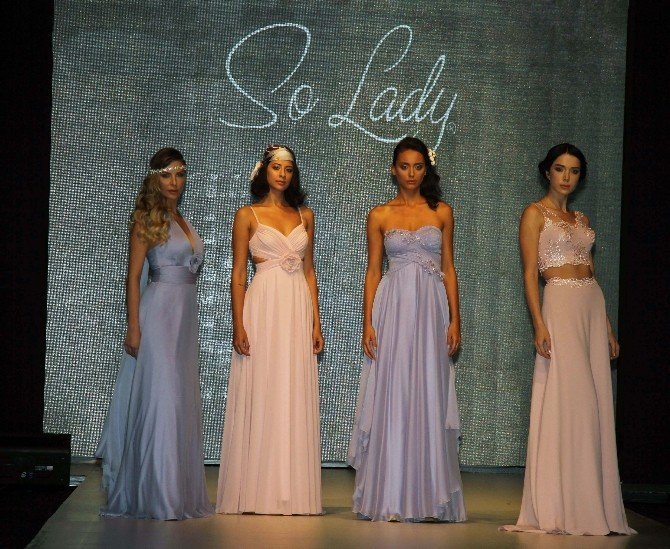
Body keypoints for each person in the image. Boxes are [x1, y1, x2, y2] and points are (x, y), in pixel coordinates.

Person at [502, 143, 634, 535]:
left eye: (574, 171)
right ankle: (563, 504)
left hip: (590, 307)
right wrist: (538, 324)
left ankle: (590, 501)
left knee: (593, 402)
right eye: (560, 168)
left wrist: (606, 326)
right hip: (558, 304)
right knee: (572, 399)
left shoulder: (581, 217)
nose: (566, 177)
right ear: (548, 172)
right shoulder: (534, 213)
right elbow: (530, 273)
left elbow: (592, 272)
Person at [348, 136, 466, 522]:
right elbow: (373, 271)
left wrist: (455, 319)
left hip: (431, 309)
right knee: (394, 389)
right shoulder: (379, 214)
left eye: (418, 166)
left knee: (429, 389)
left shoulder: (442, 212)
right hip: (393, 308)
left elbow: (449, 268)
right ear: (393, 169)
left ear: (426, 169)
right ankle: (391, 495)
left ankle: (430, 498)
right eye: (404, 166)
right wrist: (367, 321)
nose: (411, 173)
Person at [97, 147, 213, 520]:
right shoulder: (146, 219)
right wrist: (134, 326)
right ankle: (158, 494)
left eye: (180, 174)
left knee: (178, 399)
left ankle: (175, 491)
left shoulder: (181, 219)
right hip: (158, 316)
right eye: (166, 175)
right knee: (162, 398)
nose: (174, 182)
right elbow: (133, 277)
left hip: (184, 319)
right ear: (154, 179)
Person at [216, 145, 323, 515]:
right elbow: (238, 274)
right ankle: (255, 488)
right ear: (264, 171)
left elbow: (309, 272)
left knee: (291, 387)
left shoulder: (305, 215)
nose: (282, 174)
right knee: (263, 385)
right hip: (262, 306)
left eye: (289, 169)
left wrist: (316, 322)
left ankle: (290, 490)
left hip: (296, 306)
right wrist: (238, 323)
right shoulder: (247, 215)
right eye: (277, 167)